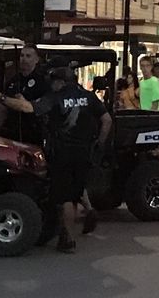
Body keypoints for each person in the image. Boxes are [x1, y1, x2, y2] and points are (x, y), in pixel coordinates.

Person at [44, 63, 110, 253]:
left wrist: (4, 98)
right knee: (74, 193)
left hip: (63, 152)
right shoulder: (89, 97)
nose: (52, 85)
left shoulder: (56, 97)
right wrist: (99, 143)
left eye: (54, 81)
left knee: (65, 197)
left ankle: (69, 238)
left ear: (61, 82)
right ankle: (86, 214)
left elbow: (32, 108)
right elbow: (107, 120)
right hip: (84, 153)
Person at [0, 48, 51, 144]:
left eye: (28, 56)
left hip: (33, 134)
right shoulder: (14, 80)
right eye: (22, 55)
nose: (24, 59)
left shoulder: (43, 81)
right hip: (12, 132)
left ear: (36, 59)